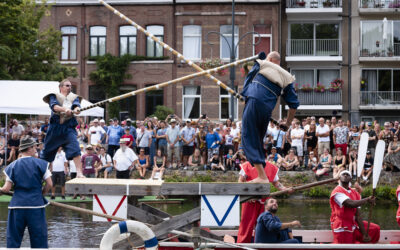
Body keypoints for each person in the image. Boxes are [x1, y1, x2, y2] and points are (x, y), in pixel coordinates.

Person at [241, 51, 299, 183]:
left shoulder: (263, 64)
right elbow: (294, 105)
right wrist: (288, 124)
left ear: (271, 59)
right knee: (257, 138)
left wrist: (245, 95)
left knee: (248, 136)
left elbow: (248, 77)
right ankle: (261, 174)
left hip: (254, 101)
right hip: (267, 109)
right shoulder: (287, 77)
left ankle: (262, 176)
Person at [0, 136, 52, 248]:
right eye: (34, 147)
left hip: (17, 207)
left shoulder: (12, 166)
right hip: (36, 206)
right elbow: (49, 184)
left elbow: (5, 189)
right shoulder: (41, 164)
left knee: (13, 240)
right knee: (39, 241)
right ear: (29, 148)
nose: (36, 149)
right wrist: (42, 194)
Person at [237, 160, 292, 243]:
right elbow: (240, 181)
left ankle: (260, 245)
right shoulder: (247, 165)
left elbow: (276, 183)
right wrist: (247, 194)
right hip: (249, 200)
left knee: (263, 225)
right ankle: (242, 245)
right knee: (246, 225)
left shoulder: (271, 167)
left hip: (265, 202)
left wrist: (285, 189)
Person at [41, 79, 84, 177]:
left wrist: (76, 110)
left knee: (76, 148)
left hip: (68, 128)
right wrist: (65, 109)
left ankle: (79, 173)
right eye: (67, 85)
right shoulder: (54, 96)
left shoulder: (74, 97)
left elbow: (77, 106)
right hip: (55, 129)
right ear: (61, 87)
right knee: (46, 152)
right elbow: (54, 107)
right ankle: (42, 172)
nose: (70, 87)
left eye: (70, 86)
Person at [330, 170, 380, 244]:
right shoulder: (337, 192)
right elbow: (350, 204)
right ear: (339, 178)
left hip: (352, 224)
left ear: (350, 179)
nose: (345, 175)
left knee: (375, 229)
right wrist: (367, 199)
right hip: (341, 225)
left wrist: (364, 234)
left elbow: (358, 216)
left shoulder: (356, 194)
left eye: (347, 174)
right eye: (343, 174)